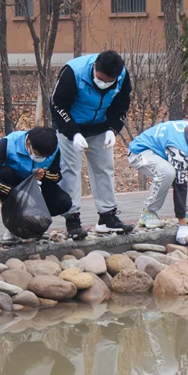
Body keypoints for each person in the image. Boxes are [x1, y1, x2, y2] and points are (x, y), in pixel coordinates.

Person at [51, 50, 134, 239]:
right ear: (95, 66)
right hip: (70, 125)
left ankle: (107, 217)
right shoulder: (73, 72)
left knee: (104, 169)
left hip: (100, 127)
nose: (104, 84)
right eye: (101, 79)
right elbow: (57, 105)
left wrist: (112, 128)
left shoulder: (121, 75)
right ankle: (72, 220)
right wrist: (73, 133)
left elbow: (122, 103)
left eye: (109, 81)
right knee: (70, 170)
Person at [0, 127, 72, 246]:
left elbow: (57, 176)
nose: (42, 158)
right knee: (5, 173)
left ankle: (38, 223)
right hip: (14, 185)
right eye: (39, 155)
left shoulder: (53, 148)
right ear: (28, 144)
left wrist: (44, 174)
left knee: (64, 202)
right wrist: (13, 193)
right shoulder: (9, 143)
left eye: (45, 156)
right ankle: (12, 226)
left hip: (39, 185)